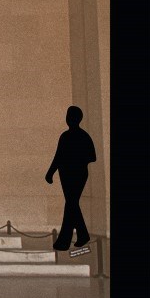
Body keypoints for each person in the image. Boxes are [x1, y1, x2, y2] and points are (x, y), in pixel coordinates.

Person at [46, 105, 97, 250]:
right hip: (66, 174)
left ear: (77, 119)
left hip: (77, 174)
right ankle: (82, 234)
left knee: (71, 204)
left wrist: (76, 159)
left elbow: (92, 157)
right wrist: (50, 173)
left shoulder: (83, 136)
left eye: (71, 117)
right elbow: (58, 157)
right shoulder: (65, 136)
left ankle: (64, 241)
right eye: (68, 117)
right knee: (72, 204)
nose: (69, 119)